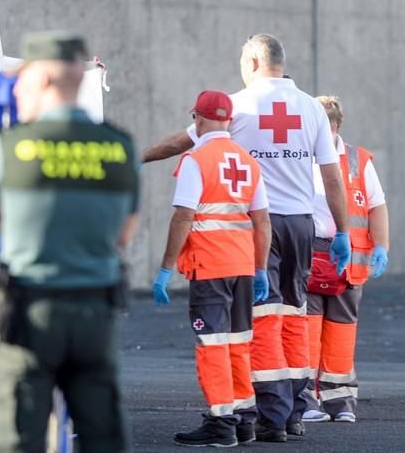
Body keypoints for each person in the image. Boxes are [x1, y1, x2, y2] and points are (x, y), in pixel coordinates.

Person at [142, 34, 351, 442]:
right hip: (302, 225)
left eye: (242, 59)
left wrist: (139, 157)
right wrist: (342, 231)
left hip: (261, 227)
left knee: (265, 320)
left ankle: (270, 417)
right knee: (295, 317)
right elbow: (331, 177)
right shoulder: (310, 107)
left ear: (255, 61)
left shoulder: (237, 104)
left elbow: (178, 143)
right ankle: (293, 411)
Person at [0, 32, 139, 452]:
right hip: (95, 314)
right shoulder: (119, 148)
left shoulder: (8, 147)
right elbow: (124, 233)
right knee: (102, 435)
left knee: (19, 437)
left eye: (23, 79)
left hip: (30, 314)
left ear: (46, 79)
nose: (16, 88)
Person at [151, 90, 272, 447]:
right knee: (238, 343)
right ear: (229, 121)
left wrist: (165, 268)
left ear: (199, 119)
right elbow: (262, 221)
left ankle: (221, 423)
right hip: (243, 266)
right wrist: (261, 268)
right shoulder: (248, 162)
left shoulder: (196, 159)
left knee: (212, 344)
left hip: (210, 266)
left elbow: (183, 216)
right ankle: (244, 419)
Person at [302, 96, 389, 424]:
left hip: (349, 260)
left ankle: (340, 401)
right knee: (307, 328)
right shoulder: (300, 155)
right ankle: (306, 398)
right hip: (309, 251)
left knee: (341, 328)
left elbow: (376, 204)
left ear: (336, 126)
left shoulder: (356, 160)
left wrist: (382, 245)